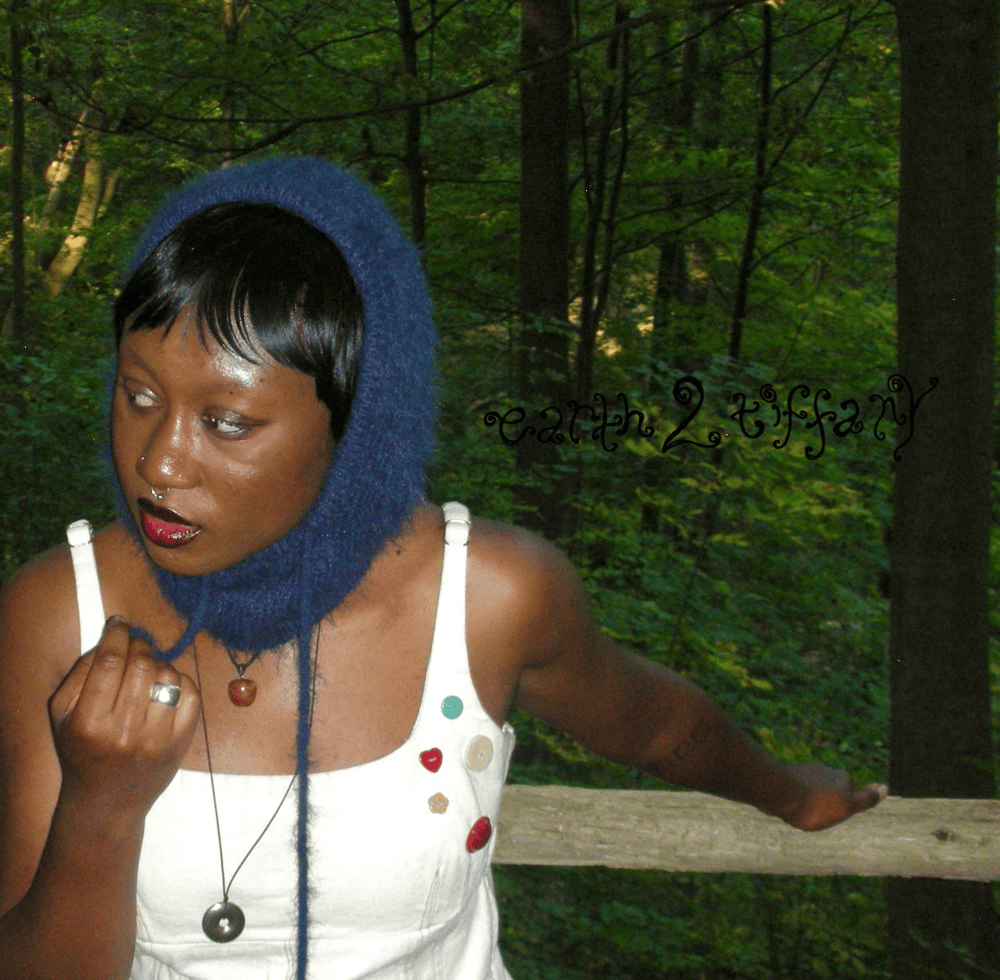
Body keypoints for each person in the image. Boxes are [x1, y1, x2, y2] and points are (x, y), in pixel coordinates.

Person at [0, 157, 886, 980]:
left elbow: (653, 725)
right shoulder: (57, 615)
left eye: (228, 422)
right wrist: (101, 808)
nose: (158, 462)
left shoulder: (489, 600)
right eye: (139, 394)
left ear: (361, 424)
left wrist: (788, 795)